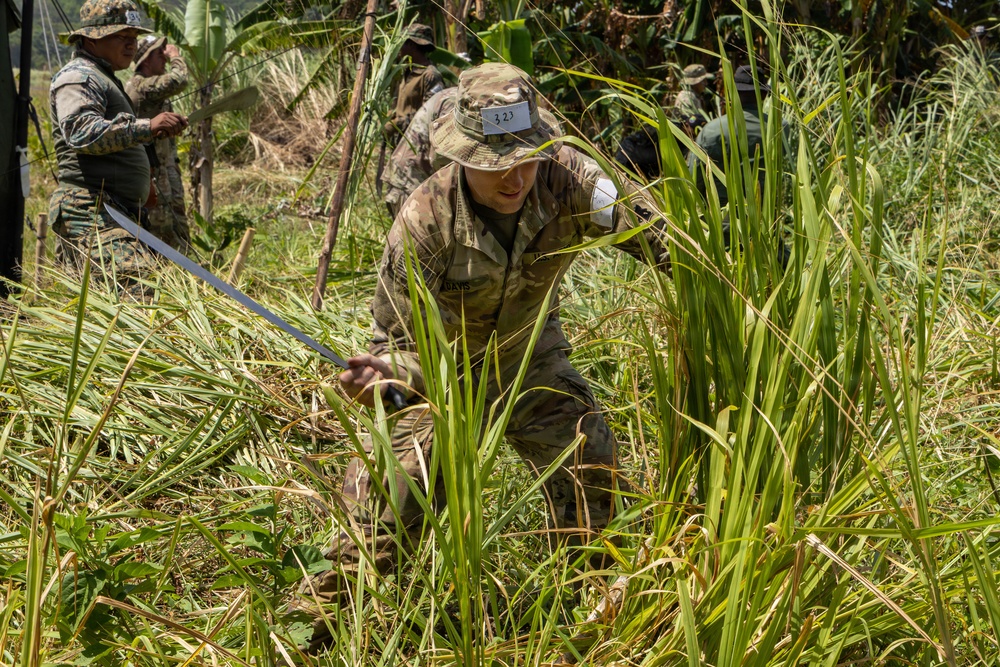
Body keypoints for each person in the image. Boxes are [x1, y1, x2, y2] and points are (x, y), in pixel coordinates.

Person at [301, 62, 670, 653]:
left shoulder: (570, 176)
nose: (517, 177)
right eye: (497, 164)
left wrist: (728, 267)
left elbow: (658, 236)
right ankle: (308, 637)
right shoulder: (422, 222)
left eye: (528, 156)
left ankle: (598, 619)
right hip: (440, 374)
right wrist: (389, 382)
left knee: (591, 461)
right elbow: (401, 346)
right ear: (463, 154)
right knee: (384, 504)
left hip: (532, 359)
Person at [49, 0, 187, 285]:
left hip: (114, 211)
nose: (131, 45)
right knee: (139, 294)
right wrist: (148, 126)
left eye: (134, 38)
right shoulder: (79, 77)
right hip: (91, 212)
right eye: (121, 37)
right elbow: (82, 132)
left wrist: (141, 182)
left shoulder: (104, 78)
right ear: (91, 38)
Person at [687, 65, 789, 265]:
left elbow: (694, 179)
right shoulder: (780, 128)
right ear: (764, 96)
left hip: (724, 229)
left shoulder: (712, 131)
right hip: (766, 225)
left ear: (732, 94)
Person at [125, 34, 190, 252]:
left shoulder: (152, 87)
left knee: (176, 217)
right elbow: (179, 79)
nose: (164, 56)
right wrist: (175, 57)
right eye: (158, 53)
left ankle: (184, 261)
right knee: (160, 225)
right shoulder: (141, 85)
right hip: (152, 170)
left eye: (165, 52)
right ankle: (164, 269)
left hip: (165, 165)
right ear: (145, 59)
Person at [382, 87, 457, 217]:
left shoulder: (457, 96)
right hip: (411, 182)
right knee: (411, 236)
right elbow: (441, 157)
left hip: (412, 180)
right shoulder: (453, 101)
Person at [383, 23, 445, 146]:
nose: (399, 47)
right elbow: (398, 105)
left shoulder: (430, 76)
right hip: (402, 142)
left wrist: (397, 124)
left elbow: (430, 115)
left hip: (418, 145)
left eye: (403, 43)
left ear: (411, 44)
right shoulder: (407, 72)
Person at [673, 63, 715, 128]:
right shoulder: (686, 98)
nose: (706, 83)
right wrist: (696, 119)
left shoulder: (696, 96)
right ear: (695, 83)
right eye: (703, 81)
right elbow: (689, 121)